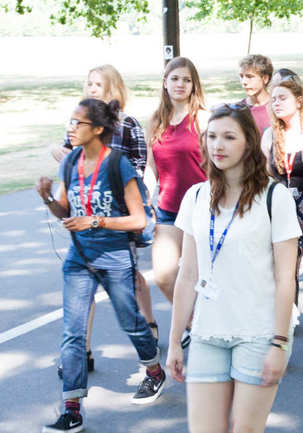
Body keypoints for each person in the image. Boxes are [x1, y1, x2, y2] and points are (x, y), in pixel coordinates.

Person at [164, 103, 299, 433]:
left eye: (228, 137)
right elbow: (188, 275)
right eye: (211, 137)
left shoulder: (275, 197)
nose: (218, 146)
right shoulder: (196, 196)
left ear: (248, 143)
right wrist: (174, 341)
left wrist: (279, 343)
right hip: (208, 331)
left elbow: (286, 279)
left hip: (259, 332)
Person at [38, 99, 162, 433]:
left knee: (130, 322)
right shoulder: (71, 162)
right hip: (79, 258)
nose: (70, 128)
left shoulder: (118, 165)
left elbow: (139, 219)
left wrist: (96, 220)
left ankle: (154, 370)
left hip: (115, 257)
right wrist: (48, 199)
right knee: (73, 333)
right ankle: (72, 409)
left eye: (77, 123)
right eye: (70, 121)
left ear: (97, 129)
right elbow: (65, 211)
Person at [50, 64, 156, 377]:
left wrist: (111, 191)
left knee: (129, 294)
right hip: (83, 227)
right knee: (79, 300)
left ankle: (149, 336)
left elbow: (138, 167)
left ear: (112, 87)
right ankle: (79, 355)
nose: (92, 88)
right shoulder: (80, 122)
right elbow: (69, 158)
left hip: (117, 219)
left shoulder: (128, 125)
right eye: (89, 83)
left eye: (98, 83)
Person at [145, 57, 208, 348]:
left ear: (194, 85)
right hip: (168, 209)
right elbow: (151, 168)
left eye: (186, 79)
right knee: (164, 275)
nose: (180, 84)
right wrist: (145, 200)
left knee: (205, 276)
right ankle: (195, 323)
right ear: (165, 82)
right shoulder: (155, 121)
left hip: (202, 207)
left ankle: (213, 325)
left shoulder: (203, 118)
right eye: (175, 78)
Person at [262, 79, 303, 265]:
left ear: (299, 101)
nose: (277, 103)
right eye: (273, 100)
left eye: (282, 98)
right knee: (286, 270)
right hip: (283, 209)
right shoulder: (270, 134)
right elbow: (269, 176)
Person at [238, 54, 273, 133]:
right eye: (241, 76)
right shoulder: (238, 110)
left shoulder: (277, 107)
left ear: (265, 78)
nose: (244, 82)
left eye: (249, 76)